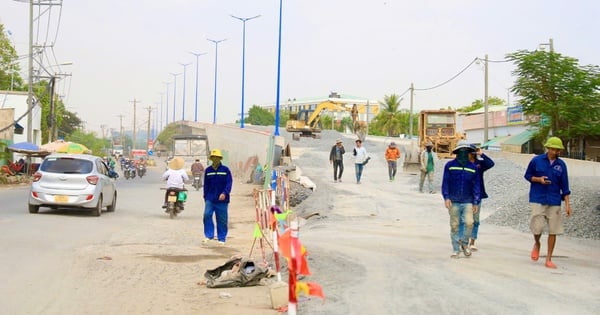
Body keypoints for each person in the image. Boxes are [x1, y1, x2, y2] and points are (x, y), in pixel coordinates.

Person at [524, 137, 572, 269]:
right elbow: (527, 176)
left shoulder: (561, 165)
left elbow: (565, 187)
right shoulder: (536, 160)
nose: (555, 151)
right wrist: (539, 179)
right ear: (548, 148)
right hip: (537, 198)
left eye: (557, 149)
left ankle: (549, 258)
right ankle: (537, 243)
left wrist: (567, 205)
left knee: (553, 230)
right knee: (537, 227)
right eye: (553, 149)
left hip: (554, 200)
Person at [441, 140, 481, 259]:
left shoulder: (474, 168)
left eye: (466, 151)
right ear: (457, 152)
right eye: (461, 151)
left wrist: (476, 201)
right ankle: (455, 249)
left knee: (469, 223)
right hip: (453, 201)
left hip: (468, 201)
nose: (464, 153)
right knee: (455, 225)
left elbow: (476, 185)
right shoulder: (450, 166)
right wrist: (446, 197)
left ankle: (464, 243)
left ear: (469, 153)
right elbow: (445, 183)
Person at [459, 144, 495, 251]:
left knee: (475, 220)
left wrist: (482, 154)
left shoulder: (480, 164)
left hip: (477, 196)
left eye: (470, 152)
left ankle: (472, 241)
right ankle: (462, 240)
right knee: (463, 219)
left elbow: (491, 163)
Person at [203, 149, 233, 246]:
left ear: (220, 159)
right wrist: (205, 197)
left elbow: (229, 183)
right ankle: (209, 235)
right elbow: (206, 185)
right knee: (206, 215)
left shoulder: (225, 170)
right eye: (213, 157)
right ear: (211, 159)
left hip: (222, 200)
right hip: (210, 198)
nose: (215, 159)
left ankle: (221, 238)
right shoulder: (208, 170)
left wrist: (225, 193)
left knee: (222, 219)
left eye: (217, 157)